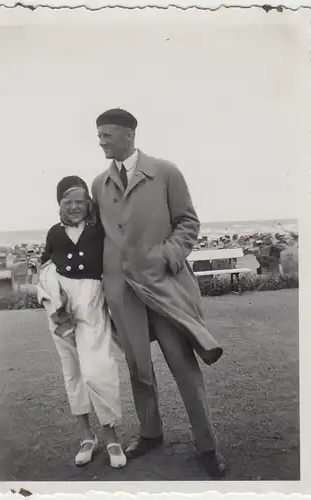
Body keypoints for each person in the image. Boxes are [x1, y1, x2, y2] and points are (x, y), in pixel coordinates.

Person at [92, 108, 225, 478]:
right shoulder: (98, 183)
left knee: (183, 365)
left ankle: (207, 445)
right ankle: (150, 433)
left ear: (129, 135)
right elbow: (98, 234)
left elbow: (188, 222)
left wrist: (165, 256)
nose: (100, 140)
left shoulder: (165, 171)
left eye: (106, 134)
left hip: (163, 286)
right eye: (99, 135)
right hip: (123, 292)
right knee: (138, 368)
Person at [37, 175, 127, 469]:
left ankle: (111, 436)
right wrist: (54, 299)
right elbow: (45, 267)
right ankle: (86, 437)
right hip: (60, 309)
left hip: (92, 303)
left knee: (98, 369)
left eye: (80, 201)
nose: (74, 206)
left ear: (89, 203)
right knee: (72, 371)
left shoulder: (98, 230)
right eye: (67, 201)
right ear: (58, 204)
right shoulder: (53, 233)